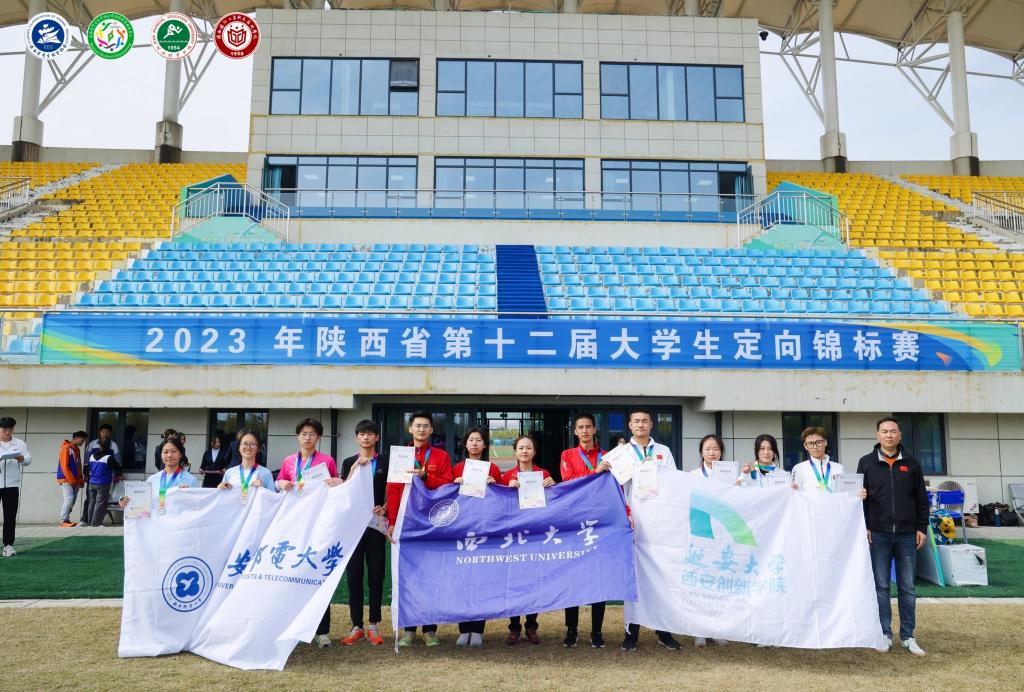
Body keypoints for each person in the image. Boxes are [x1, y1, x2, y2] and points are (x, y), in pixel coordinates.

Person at [857, 417, 929, 657]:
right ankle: (884, 633)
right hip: (878, 534)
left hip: (907, 534)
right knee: (881, 586)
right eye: (884, 431)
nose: (889, 435)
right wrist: (865, 526)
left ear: (900, 435)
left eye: (893, 431)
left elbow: (921, 498)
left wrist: (921, 527)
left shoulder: (912, 463)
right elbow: (860, 499)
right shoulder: (866, 463)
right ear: (877, 435)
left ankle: (908, 636)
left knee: (907, 587)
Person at [387, 411, 454, 647]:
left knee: (431, 576)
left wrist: (426, 477)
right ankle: (409, 629)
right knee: (408, 577)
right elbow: (393, 489)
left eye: (426, 426)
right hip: (407, 522)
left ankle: (430, 629)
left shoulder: (441, 456)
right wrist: (392, 521)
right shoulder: (401, 455)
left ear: (432, 430)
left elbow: (448, 485)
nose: (422, 429)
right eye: (417, 426)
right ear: (410, 429)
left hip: (432, 522)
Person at [275, 418, 342, 648]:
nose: (307, 437)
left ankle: (322, 632)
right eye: (303, 433)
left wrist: (337, 482)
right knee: (294, 577)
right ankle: (294, 630)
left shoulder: (327, 461)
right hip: (294, 527)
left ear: (318, 437)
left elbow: (335, 486)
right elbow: (279, 481)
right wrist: (281, 484)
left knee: (318, 577)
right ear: (297, 436)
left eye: (312, 434)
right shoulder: (288, 461)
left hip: (318, 525)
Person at [620, 408, 681, 652]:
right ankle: (631, 632)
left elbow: (674, 482)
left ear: (651, 424)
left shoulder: (663, 451)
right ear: (630, 425)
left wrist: (654, 469)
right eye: (636, 421)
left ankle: (663, 631)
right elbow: (616, 485)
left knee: (661, 576)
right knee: (633, 577)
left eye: (645, 421)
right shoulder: (622, 453)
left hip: (659, 523)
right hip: (633, 521)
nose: (641, 425)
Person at [558, 413, 612, 649]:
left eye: (588, 426)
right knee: (574, 577)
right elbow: (569, 482)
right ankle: (571, 630)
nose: (585, 431)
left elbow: (617, 487)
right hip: (575, 521)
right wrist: (595, 472)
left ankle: (596, 631)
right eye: (580, 427)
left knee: (599, 577)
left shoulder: (608, 456)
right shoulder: (568, 455)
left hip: (601, 521)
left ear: (594, 429)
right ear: (575, 431)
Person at [501, 435, 555, 646]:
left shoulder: (544, 474)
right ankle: (514, 627)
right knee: (514, 582)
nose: (524, 451)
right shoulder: (508, 476)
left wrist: (552, 485)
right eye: (521, 448)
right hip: (514, 536)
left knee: (534, 582)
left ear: (534, 451)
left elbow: (554, 501)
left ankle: (531, 626)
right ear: (515, 452)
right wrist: (507, 488)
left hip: (536, 535)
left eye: (528, 448)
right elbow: (499, 503)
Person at [339, 420, 387, 648]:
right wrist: (354, 469)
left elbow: (393, 490)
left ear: (376, 437)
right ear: (356, 438)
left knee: (376, 576)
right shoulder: (349, 462)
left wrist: (385, 507)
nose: (366, 437)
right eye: (361, 434)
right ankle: (356, 626)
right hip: (354, 527)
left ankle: (374, 625)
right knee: (354, 576)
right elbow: (344, 491)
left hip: (376, 525)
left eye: (370, 434)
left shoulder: (385, 462)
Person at [451, 427, 501, 648]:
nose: (474, 443)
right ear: (465, 444)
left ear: (484, 445)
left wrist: (495, 484)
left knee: (481, 581)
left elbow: (503, 498)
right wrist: (454, 484)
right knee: (463, 581)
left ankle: (478, 629)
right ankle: (464, 629)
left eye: (479, 440)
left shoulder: (493, 468)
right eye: (471, 440)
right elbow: (447, 497)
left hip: (485, 529)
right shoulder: (457, 468)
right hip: (462, 529)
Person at [118, 436, 198, 512]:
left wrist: (186, 498)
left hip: (179, 521)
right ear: (161, 455)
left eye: (173, 451)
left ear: (180, 454)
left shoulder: (191, 480)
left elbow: (196, 509)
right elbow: (142, 505)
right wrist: (127, 503)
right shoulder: (151, 480)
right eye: (165, 452)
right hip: (156, 521)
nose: (169, 455)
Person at [0, 416, 32, 557]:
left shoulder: (19, 443)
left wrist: (22, 459)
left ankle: (8, 546)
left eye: (10, 430)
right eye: (4, 430)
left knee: (10, 516)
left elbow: (28, 460)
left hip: (12, 485)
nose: (8, 432)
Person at [218, 429, 275, 499]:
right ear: (239, 448)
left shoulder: (266, 473)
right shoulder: (229, 472)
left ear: (258, 448)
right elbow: (221, 499)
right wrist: (219, 490)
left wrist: (263, 489)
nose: (248, 447)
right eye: (245, 443)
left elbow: (273, 501)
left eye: (252, 444)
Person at [84, 438, 121, 527]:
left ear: (99, 445)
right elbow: (117, 467)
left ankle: (90, 522)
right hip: (103, 483)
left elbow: (87, 468)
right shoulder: (108, 458)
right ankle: (96, 524)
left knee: (92, 502)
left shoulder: (92, 456)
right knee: (100, 503)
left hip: (92, 482)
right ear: (110, 446)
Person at [57, 432, 87, 527]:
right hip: (66, 479)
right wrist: (72, 480)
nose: (83, 443)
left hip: (75, 480)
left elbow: (78, 466)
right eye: (82, 440)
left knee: (72, 500)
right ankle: (63, 521)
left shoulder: (76, 450)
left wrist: (80, 480)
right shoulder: (66, 448)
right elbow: (64, 466)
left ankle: (67, 520)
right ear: (76, 438)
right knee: (69, 499)